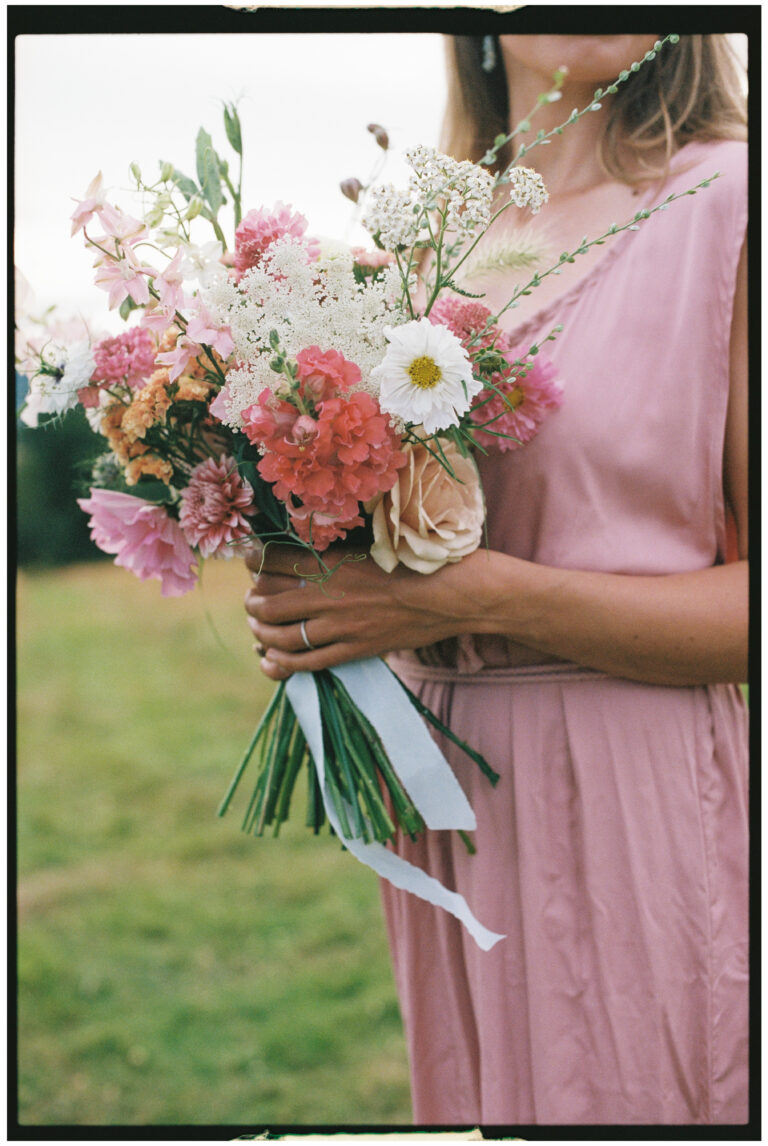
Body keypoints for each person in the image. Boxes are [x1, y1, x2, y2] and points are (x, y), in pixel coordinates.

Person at [243, 33, 749, 1126]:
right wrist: (307, 577)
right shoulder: (422, 247)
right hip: (447, 785)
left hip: (629, 784)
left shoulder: (731, 203)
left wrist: (478, 598)